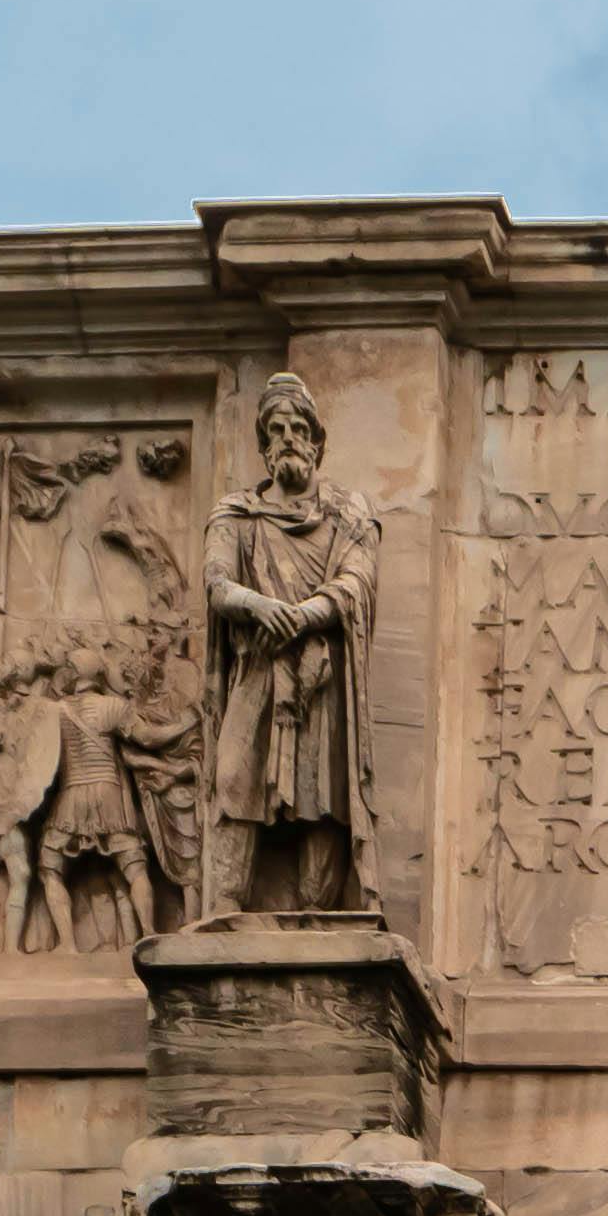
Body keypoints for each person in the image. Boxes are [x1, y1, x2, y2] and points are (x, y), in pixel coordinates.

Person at [206, 372, 378, 914]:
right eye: (276, 429)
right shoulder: (236, 513)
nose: (287, 437)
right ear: (263, 445)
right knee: (235, 778)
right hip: (258, 664)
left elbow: (356, 581)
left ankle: (316, 916)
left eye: (298, 427)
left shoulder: (349, 514)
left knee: (321, 795)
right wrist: (260, 606)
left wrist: (305, 616)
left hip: (316, 672)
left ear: (317, 442)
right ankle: (225, 908)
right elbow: (216, 582)